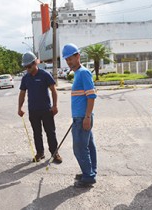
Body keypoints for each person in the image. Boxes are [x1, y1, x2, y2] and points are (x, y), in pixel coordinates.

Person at [62, 43, 97, 188]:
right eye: (67, 60)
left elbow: (91, 96)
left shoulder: (83, 73)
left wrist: (87, 117)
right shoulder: (77, 73)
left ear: (78, 56)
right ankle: (89, 172)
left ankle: (88, 177)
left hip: (83, 118)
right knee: (88, 146)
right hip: (80, 117)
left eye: (71, 58)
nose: (69, 62)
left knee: (79, 148)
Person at [18, 52, 62, 164]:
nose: (27, 69)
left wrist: (55, 105)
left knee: (50, 132)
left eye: (29, 66)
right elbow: (22, 94)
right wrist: (20, 107)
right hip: (33, 111)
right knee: (36, 133)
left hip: (46, 110)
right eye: (25, 67)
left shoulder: (45, 75)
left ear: (35, 63)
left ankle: (54, 153)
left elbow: (53, 90)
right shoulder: (25, 78)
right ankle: (40, 153)